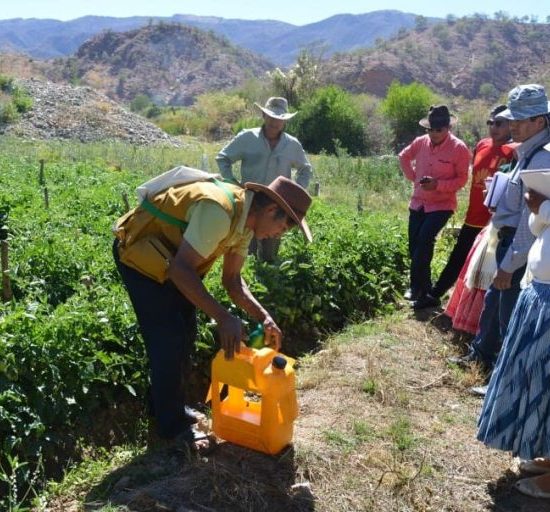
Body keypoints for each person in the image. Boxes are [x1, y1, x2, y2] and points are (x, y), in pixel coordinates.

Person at [113, 175, 313, 451]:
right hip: (141, 258)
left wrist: (263, 316)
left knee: (185, 332)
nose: (279, 234)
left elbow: (232, 280)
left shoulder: (246, 223)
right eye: (283, 226)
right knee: (168, 338)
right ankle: (171, 429)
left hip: (172, 262)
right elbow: (181, 270)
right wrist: (223, 317)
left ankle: (166, 408)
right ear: (269, 210)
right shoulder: (219, 211)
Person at [452, 84, 550, 375]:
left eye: (519, 120)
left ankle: (501, 376)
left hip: (517, 249)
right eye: (512, 119)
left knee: (509, 315)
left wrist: (509, 265)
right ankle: (481, 356)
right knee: (493, 303)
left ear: (540, 122)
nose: (512, 126)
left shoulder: (543, 159)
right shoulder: (528, 153)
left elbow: (528, 222)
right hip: (505, 241)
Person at [476, 189, 550, 499]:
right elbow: (538, 229)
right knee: (540, 384)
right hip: (542, 291)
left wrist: (545, 207)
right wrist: (539, 209)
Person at [430, 106, 516, 334]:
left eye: (499, 123)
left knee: (484, 272)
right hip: (473, 217)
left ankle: (476, 324)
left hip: (494, 224)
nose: (494, 127)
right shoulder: (482, 145)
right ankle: (438, 297)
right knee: (459, 259)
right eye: (491, 122)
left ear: (511, 125)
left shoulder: (514, 152)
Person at [216, 97, 312, 262]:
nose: (275, 122)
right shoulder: (247, 137)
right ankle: (244, 279)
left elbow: (305, 169)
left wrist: (293, 193)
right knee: (244, 250)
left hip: (278, 207)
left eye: (280, 119)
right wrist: (233, 183)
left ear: (285, 121)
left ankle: (268, 280)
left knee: (270, 253)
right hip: (250, 203)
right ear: (263, 115)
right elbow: (223, 158)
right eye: (272, 117)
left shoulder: (292, 145)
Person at [398, 105, 471, 310]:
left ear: (448, 128)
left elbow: (462, 179)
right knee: (415, 244)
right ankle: (423, 288)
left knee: (424, 238)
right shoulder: (421, 142)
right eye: (430, 129)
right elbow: (403, 156)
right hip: (419, 201)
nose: (434, 133)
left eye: (438, 129)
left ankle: (416, 287)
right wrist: (413, 177)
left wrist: (438, 185)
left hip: (442, 204)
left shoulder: (459, 148)